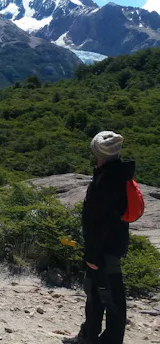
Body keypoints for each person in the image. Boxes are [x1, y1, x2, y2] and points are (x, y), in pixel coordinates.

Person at [64, 131, 133, 344]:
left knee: (111, 298)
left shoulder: (108, 180)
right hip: (107, 245)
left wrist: (93, 256)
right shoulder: (115, 173)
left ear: (97, 152)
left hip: (105, 249)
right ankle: (88, 336)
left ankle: (108, 340)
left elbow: (101, 222)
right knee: (94, 292)